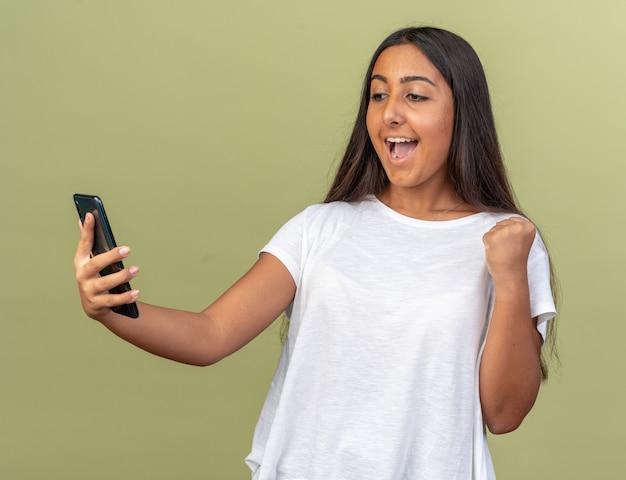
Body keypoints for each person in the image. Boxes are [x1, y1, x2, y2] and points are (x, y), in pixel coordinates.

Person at [74, 26, 557, 480]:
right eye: (378, 94)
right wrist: (109, 309)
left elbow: (504, 413)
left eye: (415, 95)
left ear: (462, 113)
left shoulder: (509, 241)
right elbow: (210, 335)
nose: (390, 112)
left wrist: (511, 280)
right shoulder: (320, 227)